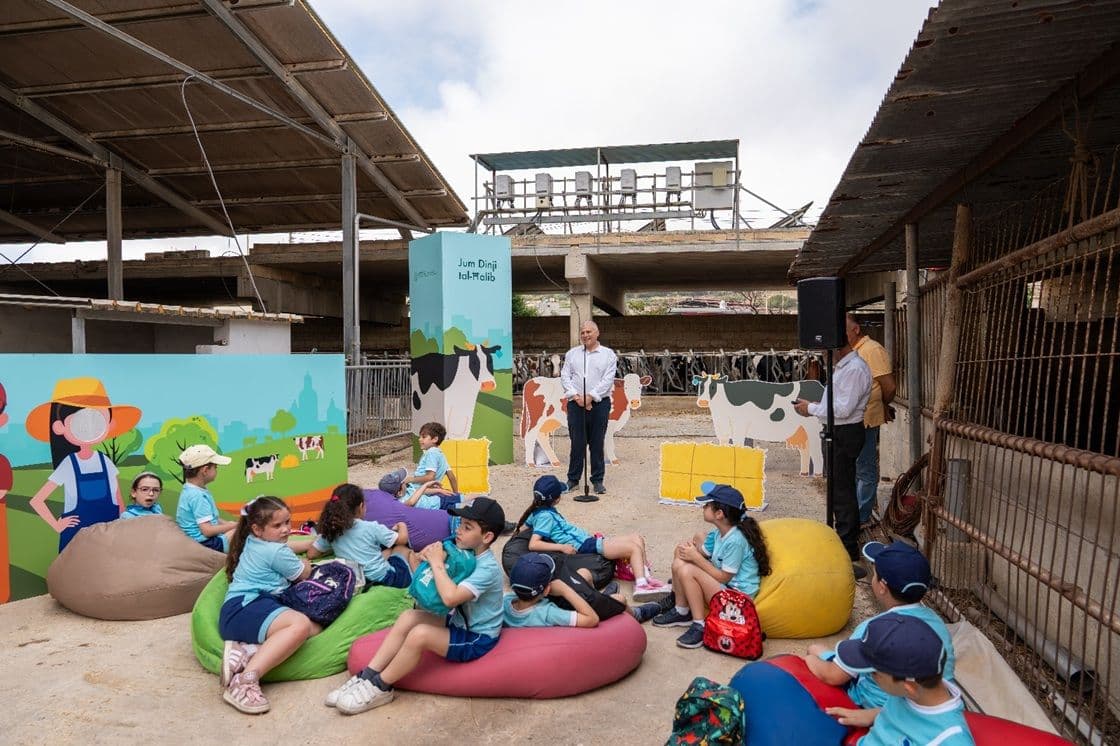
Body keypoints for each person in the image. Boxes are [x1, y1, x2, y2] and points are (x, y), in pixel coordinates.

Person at [327, 497, 507, 715]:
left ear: (487, 537)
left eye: (467, 527)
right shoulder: (464, 552)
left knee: (419, 634)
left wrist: (437, 562)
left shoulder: (486, 568)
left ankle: (381, 686)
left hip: (477, 637)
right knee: (408, 617)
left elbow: (450, 598)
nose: (459, 530)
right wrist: (424, 558)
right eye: (460, 524)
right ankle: (368, 675)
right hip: (460, 622)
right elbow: (430, 577)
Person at [803, 540, 955, 711]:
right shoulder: (937, 623)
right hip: (928, 703)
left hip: (873, 706)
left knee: (814, 649)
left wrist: (807, 659)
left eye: (874, 574)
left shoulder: (876, 628)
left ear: (882, 587)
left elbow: (832, 676)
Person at [218, 496, 319, 714]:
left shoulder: (255, 541)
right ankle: (245, 681)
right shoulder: (275, 552)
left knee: (314, 626)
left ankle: (247, 650)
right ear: (257, 528)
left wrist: (313, 542)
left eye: (287, 522)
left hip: (239, 613)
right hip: (245, 608)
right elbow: (303, 573)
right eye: (278, 525)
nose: (285, 529)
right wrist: (306, 563)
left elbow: (289, 544)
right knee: (300, 625)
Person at [26, 377, 140, 552]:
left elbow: (118, 499)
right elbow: (37, 500)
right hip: (76, 540)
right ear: (59, 427)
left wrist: (123, 525)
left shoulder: (105, 461)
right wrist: (57, 525)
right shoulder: (69, 465)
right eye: (81, 421)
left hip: (108, 536)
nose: (89, 427)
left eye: (97, 420)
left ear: (110, 424)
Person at [652, 484, 772, 649]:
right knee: (681, 557)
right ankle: (681, 610)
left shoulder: (736, 540)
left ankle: (699, 625)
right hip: (724, 587)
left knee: (688, 570)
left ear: (719, 514)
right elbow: (703, 552)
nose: (704, 507)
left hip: (737, 600)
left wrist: (696, 558)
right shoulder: (719, 532)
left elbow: (724, 577)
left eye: (707, 504)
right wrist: (690, 551)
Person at [828, 614, 973, 745]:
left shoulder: (950, 739)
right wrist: (873, 714)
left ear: (908, 687)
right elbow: (908, 713)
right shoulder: (912, 692)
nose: (870, 676)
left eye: (873, 673)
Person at [516, 475, 668, 598]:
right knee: (633, 548)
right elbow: (533, 544)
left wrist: (514, 530)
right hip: (585, 546)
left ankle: (645, 576)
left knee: (637, 538)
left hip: (588, 541)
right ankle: (641, 586)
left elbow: (523, 527)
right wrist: (562, 547)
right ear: (557, 499)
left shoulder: (537, 512)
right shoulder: (545, 516)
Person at [794, 338, 871, 574]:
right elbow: (838, 403)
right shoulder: (845, 368)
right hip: (839, 430)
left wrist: (812, 409)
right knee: (838, 489)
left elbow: (844, 409)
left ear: (836, 347)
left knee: (842, 491)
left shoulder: (855, 369)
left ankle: (848, 551)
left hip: (845, 432)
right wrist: (818, 406)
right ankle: (842, 543)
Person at [307, 483, 414, 590]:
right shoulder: (371, 527)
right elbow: (402, 539)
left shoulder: (332, 529)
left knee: (386, 549)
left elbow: (311, 554)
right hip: (386, 578)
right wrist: (402, 525)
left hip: (358, 579)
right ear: (361, 507)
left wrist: (335, 545)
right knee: (401, 548)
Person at [846, 314, 896, 526]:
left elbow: (889, 385)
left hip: (867, 418)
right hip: (854, 419)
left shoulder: (872, 350)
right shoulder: (853, 351)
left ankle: (862, 516)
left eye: (844, 329)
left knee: (865, 468)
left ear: (856, 329)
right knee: (858, 467)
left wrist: (883, 405)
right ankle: (857, 512)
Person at [560, 320, 617, 498]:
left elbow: (608, 379)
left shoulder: (608, 355)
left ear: (597, 333)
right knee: (577, 442)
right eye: (583, 332)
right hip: (576, 403)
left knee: (597, 442)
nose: (585, 335)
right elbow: (565, 376)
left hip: (600, 403)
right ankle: (573, 479)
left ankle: (597, 480)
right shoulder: (572, 354)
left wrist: (591, 396)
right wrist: (576, 396)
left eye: (589, 332)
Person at [504, 552, 599, 628]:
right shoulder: (548, 614)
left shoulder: (504, 602)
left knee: (583, 574)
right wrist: (565, 590)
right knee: (585, 573)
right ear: (546, 590)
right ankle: (599, 596)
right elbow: (592, 620)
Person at [176, 444, 238, 552]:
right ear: (205, 470)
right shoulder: (197, 496)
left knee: (237, 528)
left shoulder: (191, 490)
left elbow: (212, 518)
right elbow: (207, 531)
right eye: (215, 467)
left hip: (202, 541)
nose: (216, 470)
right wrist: (233, 526)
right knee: (241, 533)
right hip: (205, 544)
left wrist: (230, 524)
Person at [400, 422, 459, 510]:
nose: (420, 439)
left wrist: (411, 479)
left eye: (424, 437)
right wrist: (456, 494)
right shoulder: (440, 454)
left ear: (435, 439)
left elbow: (430, 477)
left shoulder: (431, 453)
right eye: (420, 437)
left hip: (418, 490)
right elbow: (451, 476)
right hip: (429, 490)